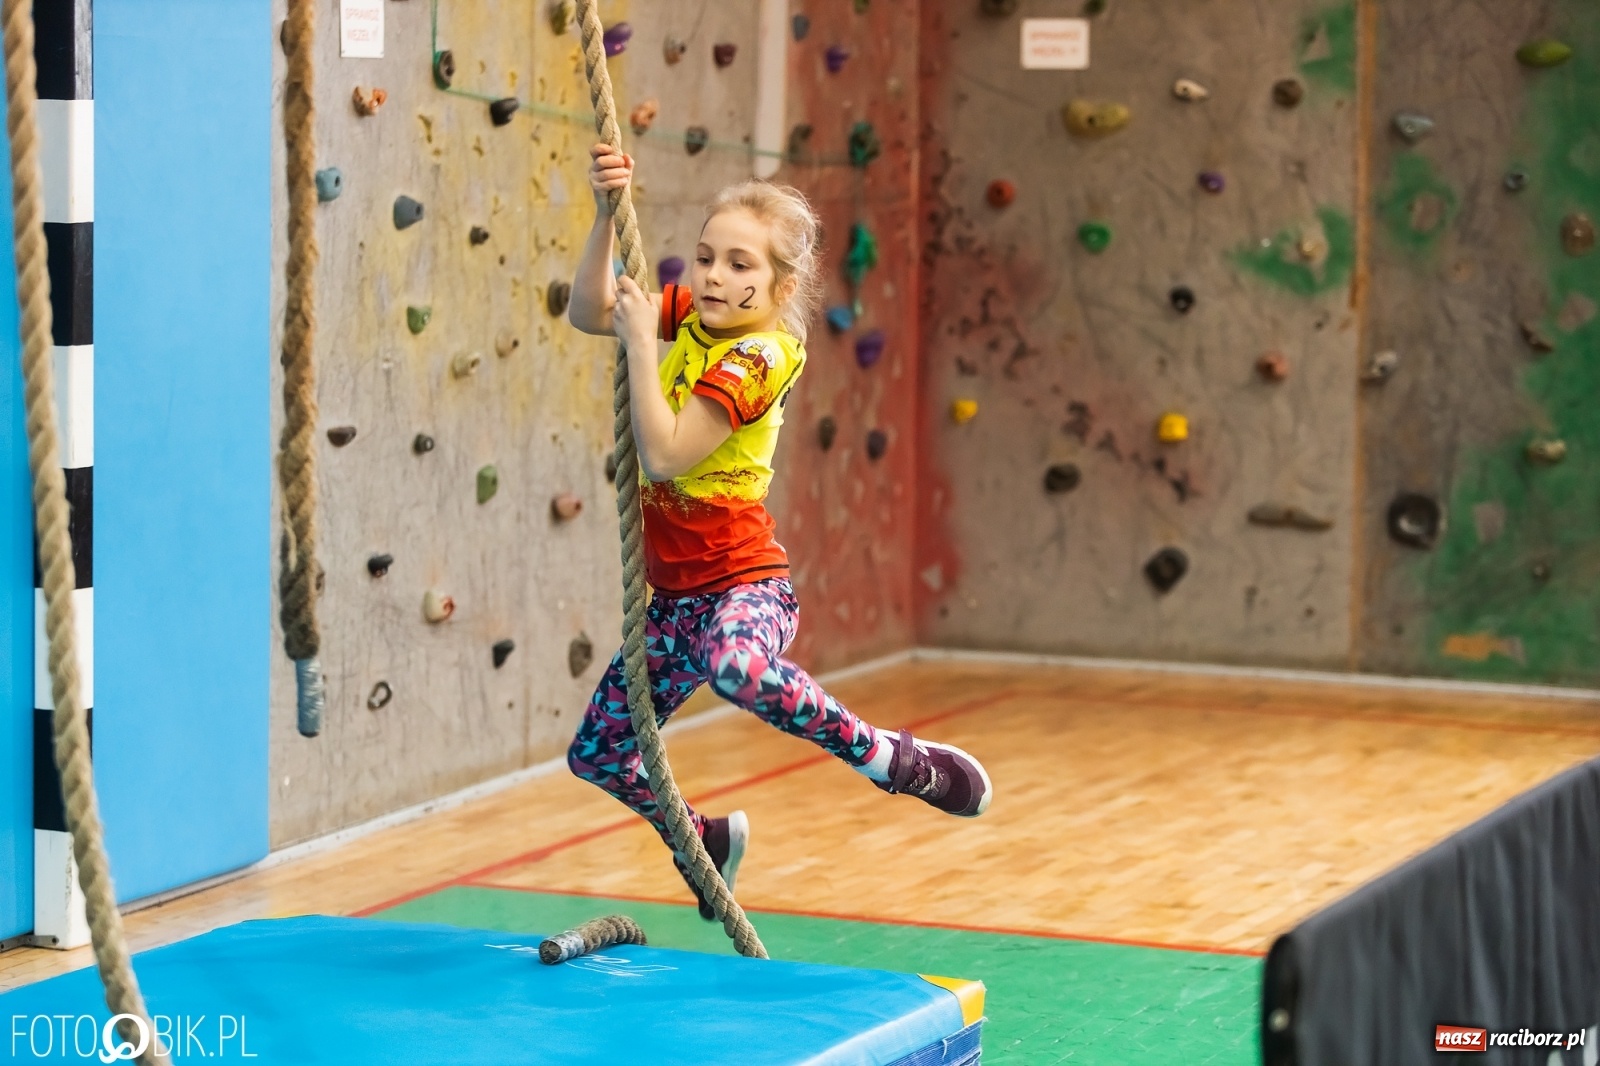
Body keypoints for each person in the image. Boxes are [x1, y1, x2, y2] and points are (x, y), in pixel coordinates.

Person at [564, 143, 993, 919]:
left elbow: (663, 456)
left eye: (738, 266)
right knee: (596, 755)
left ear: (780, 286)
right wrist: (603, 218)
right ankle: (703, 838)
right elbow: (589, 310)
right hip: (673, 606)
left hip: (742, 586)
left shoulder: (759, 356)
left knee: (736, 667)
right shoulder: (695, 314)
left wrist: (637, 341)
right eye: (704, 259)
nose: (714, 279)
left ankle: (891, 759)